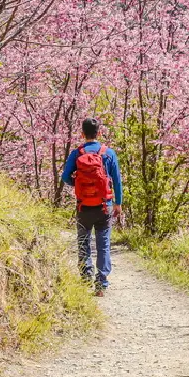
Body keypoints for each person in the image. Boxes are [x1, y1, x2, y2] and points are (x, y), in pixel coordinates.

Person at [61, 117, 123, 296]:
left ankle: (85, 277)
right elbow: (117, 181)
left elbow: (65, 177)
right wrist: (118, 203)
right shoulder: (108, 153)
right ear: (99, 133)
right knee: (103, 244)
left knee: (83, 241)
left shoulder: (77, 153)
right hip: (105, 206)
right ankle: (101, 283)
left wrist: (79, 183)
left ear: (82, 133)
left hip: (83, 206)